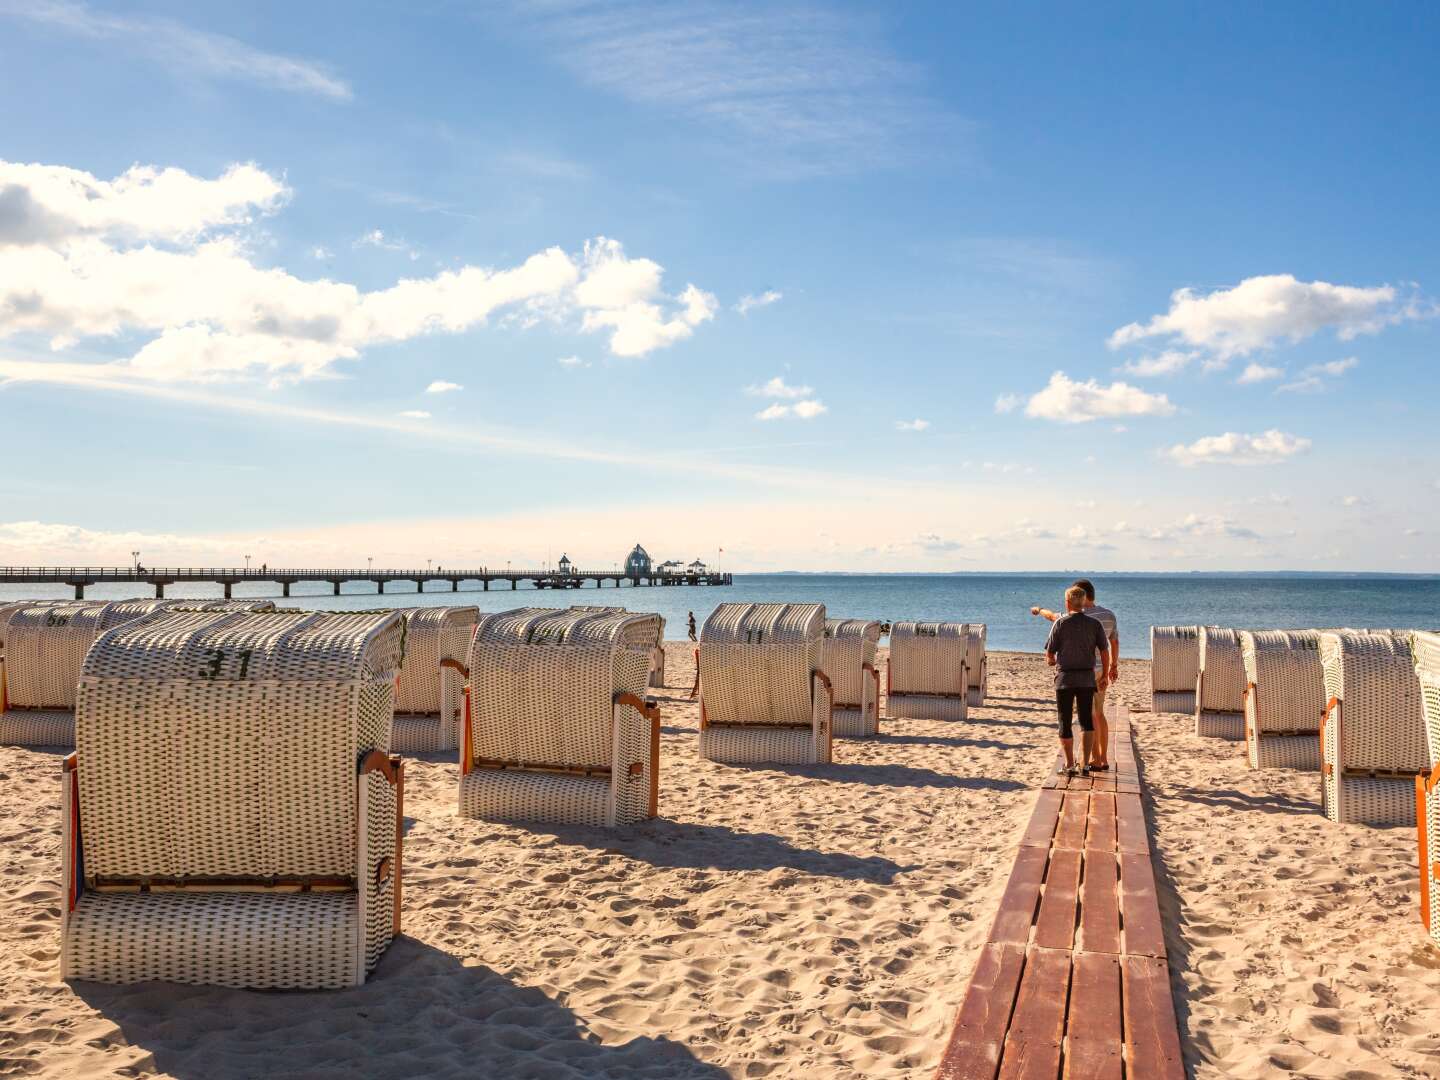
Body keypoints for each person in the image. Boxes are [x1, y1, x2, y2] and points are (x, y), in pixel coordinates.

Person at [1030, 578, 1119, 769]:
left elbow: (1051, 616)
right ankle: (1102, 759)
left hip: (1082, 672)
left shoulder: (1066, 618)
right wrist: (1112, 667)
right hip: (1100, 669)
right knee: (1099, 714)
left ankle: (1090, 760)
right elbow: (1113, 643)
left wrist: (1039, 609)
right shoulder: (1108, 615)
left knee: (1085, 716)